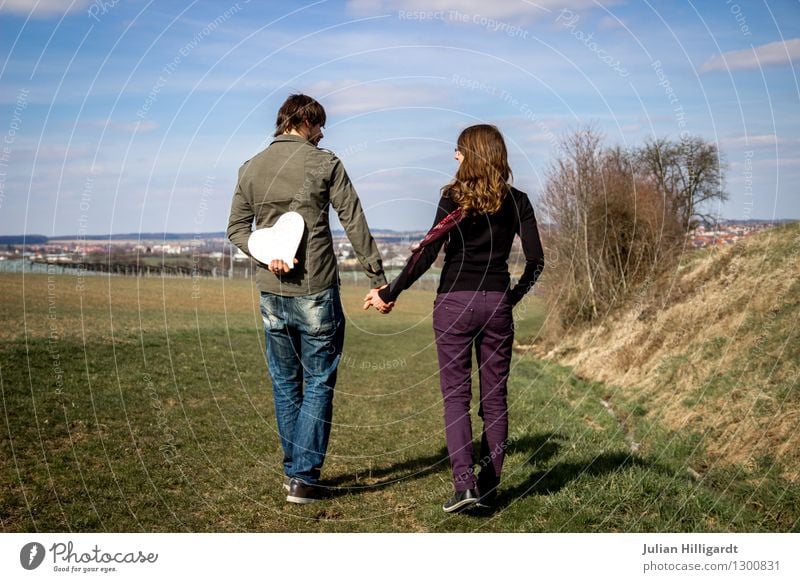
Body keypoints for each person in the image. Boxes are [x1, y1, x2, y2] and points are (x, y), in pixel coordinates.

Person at [364, 124, 544, 512]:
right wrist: (511, 297)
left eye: (459, 150)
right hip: (496, 303)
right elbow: (536, 261)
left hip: (453, 305)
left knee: (456, 398)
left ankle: (465, 487)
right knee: (495, 401)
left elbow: (427, 253)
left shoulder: (453, 198)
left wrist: (389, 293)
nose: (454, 156)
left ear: (472, 154)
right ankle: (490, 488)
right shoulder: (520, 201)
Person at [228, 94, 387, 504]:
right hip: (315, 288)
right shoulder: (325, 162)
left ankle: (292, 471)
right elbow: (354, 218)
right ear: (304, 122)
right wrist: (377, 276)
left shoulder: (249, 168)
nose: (322, 134)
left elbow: (236, 230)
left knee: (285, 384)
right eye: (319, 126)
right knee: (318, 382)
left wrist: (266, 255)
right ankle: (303, 477)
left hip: (270, 292)